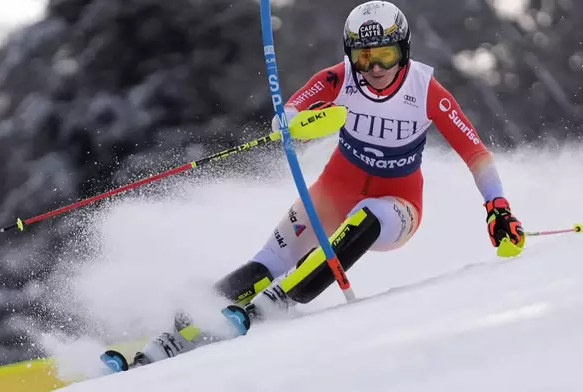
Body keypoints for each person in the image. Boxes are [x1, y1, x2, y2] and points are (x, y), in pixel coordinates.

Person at [124, 0, 525, 368]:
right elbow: (292, 110)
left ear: (404, 50)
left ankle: (280, 301)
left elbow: (476, 153)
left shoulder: (427, 91)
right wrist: (288, 122)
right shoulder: (339, 77)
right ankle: (178, 329)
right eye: (364, 58)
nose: (376, 69)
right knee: (268, 261)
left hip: (398, 204)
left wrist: (497, 206)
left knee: (367, 215)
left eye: (385, 55)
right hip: (336, 188)